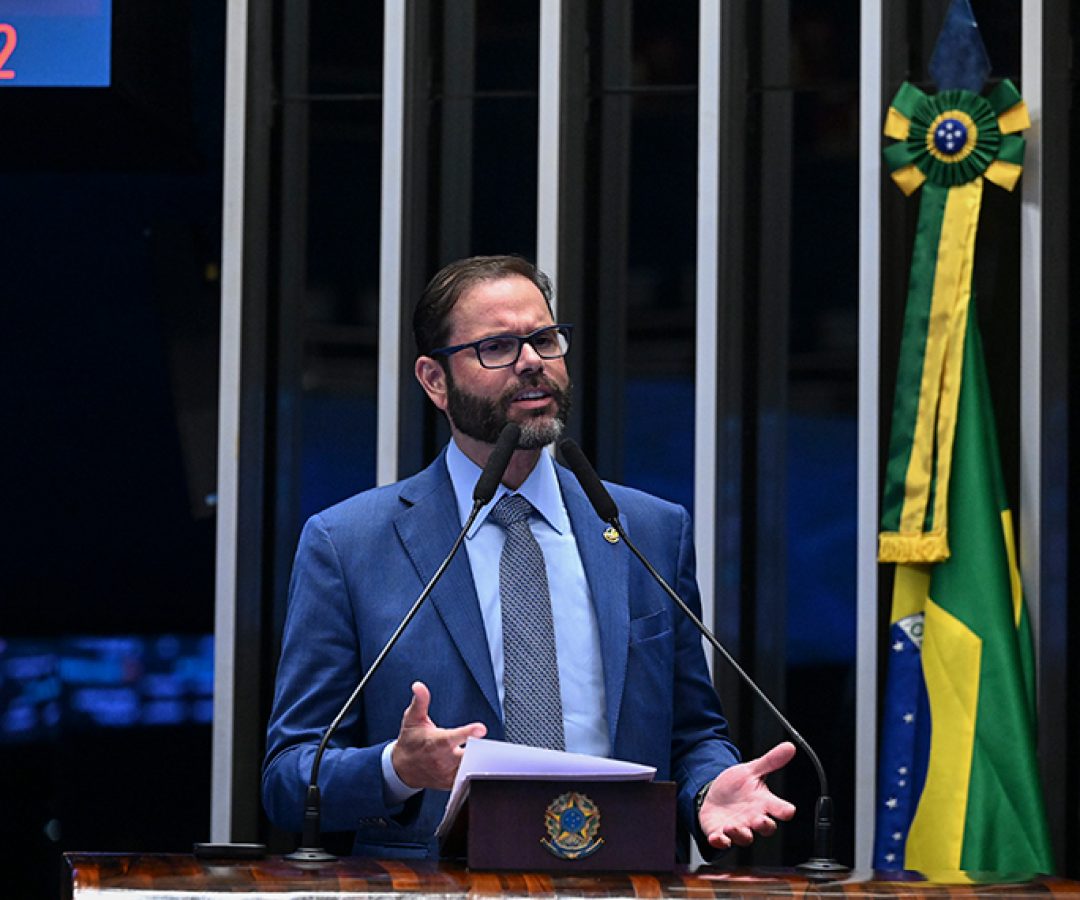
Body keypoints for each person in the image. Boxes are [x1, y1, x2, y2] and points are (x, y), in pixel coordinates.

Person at [262, 255, 796, 859]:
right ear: (435, 380)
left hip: (624, 883)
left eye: (544, 339)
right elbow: (288, 778)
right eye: (497, 346)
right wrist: (398, 768)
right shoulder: (350, 543)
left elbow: (693, 733)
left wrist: (705, 792)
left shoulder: (646, 531)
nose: (532, 362)